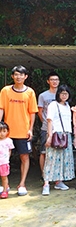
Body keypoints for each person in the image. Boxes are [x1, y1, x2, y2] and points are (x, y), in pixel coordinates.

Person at [0, 65, 38, 196]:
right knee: (3, 158)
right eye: (16, 74)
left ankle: (22, 184)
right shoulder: (5, 91)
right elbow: (1, 109)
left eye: (21, 75)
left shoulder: (30, 92)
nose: (19, 77)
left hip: (23, 131)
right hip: (6, 133)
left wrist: (30, 129)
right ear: (12, 76)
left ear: (25, 77)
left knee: (24, 157)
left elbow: (32, 112)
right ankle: (5, 185)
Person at [42, 85, 75, 195]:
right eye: (62, 93)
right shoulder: (53, 104)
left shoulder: (67, 105)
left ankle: (59, 181)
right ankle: (46, 184)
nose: (64, 95)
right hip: (56, 134)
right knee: (51, 160)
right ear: (58, 94)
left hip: (66, 135)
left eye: (66, 93)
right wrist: (50, 136)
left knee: (63, 160)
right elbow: (50, 121)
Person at [37, 72, 59, 179]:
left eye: (56, 79)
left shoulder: (61, 95)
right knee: (44, 151)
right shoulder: (43, 95)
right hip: (46, 128)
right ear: (48, 81)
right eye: (52, 79)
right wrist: (45, 122)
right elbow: (40, 111)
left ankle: (54, 175)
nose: (54, 81)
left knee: (56, 152)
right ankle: (43, 174)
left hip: (58, 129)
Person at [0, 122, 15, 199]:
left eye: (4, 131)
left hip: (4, 162)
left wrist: (7, 159)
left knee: (4, 177)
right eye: (0, 131)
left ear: (7, 131)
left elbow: (10, 150)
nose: (2, 133)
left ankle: (5, 191)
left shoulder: (8, 141)